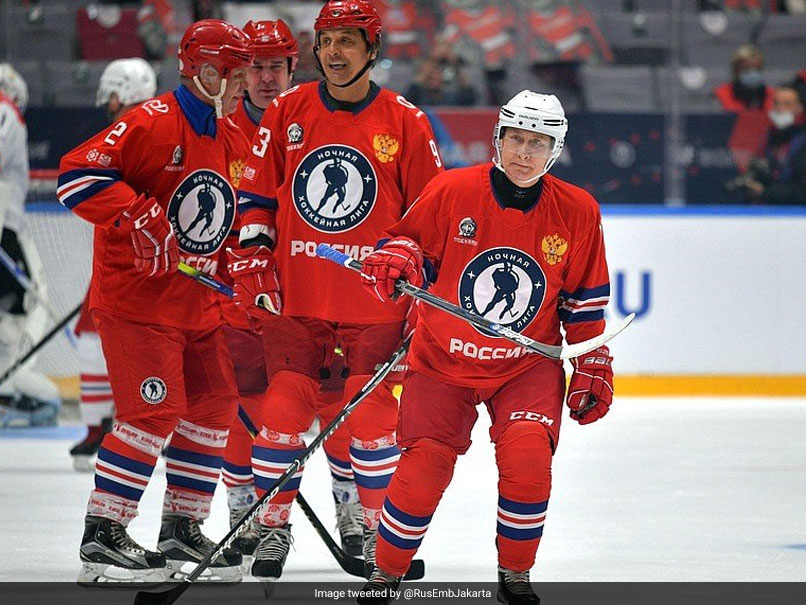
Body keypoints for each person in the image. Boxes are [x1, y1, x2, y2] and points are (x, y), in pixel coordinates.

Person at [355, 90, 616, 605]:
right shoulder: (451, 190)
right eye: (516, 139)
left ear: (555, 149)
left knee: (528, 461)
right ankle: (385, 574)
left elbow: (584, 304)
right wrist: (397, 262)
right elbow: (406, 246)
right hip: (441, 359)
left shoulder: (578, 211)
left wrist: (594, 359)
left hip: (525, 365)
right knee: (423, 467)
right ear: (498, 139)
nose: (524, 153)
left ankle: (514, 573)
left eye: (537, 143)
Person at [229, 0, 444, 585]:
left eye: (348, 42)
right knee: (282, 409)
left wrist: (416, 268)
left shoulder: (407, 122)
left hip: (373, 307)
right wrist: (252, 256)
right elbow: (256, 197)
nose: (334, 53)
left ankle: (377, 536)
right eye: (325, 42)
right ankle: (272, 526)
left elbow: (432, 218)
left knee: (373, 420)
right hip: (297, 301)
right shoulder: (287, 112)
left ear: (373, 51)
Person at [58, 19, 253, 584]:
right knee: (153, 413)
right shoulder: (149, 120)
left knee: (215, 405)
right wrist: (137, 214)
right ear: (209, 71)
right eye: (236, 74)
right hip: (139, 303)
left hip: (197, 305)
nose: (243, 86)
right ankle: (103, 534)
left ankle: (180, 526)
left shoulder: (230, 133)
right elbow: (76, 175)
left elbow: (226, 215)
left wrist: (243, 259)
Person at [224, 19, 363, 560]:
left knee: (334, 404)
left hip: (306, 299)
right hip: (237, 300)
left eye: (275, 67)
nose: (264, 78)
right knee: (251, 409)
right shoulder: (217, 128)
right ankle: (246, 511)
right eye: (254, 67)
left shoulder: (311, 117)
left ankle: (348, 502)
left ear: (291, 68)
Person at [69, 57, 158, 471]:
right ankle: (105, 428)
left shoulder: (144, 129)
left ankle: (120, 428)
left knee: (108, 344)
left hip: (144, 261)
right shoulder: (142, 127)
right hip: (128, 259)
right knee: (93, 340)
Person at [0, 63, 62, 428]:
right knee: (32, 302)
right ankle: (12, 381)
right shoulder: (6, 110)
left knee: (15, 312)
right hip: (6, 228)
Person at [740, 84, 806, 205]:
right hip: (771, 212)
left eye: (787, 104)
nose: (780, 108)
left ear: (800, 108)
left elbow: (803, 191)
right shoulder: (769, 137)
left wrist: (766, 192)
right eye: (776, 103)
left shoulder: (802, 142)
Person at [404, 40, 477, 107]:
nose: (434, 78)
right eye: (430, 77)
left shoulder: (451, 98)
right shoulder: (418, 97)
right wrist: (433, 59)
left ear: (443, 78)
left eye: (437, 75)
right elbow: (410, 96)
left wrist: (455, 64)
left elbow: (469, 95)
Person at [713, 45, 774, 113]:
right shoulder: (721, 93)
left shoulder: (772, 94)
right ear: (736, 70)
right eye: (746, 69)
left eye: (756, 69)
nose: (752, 73)